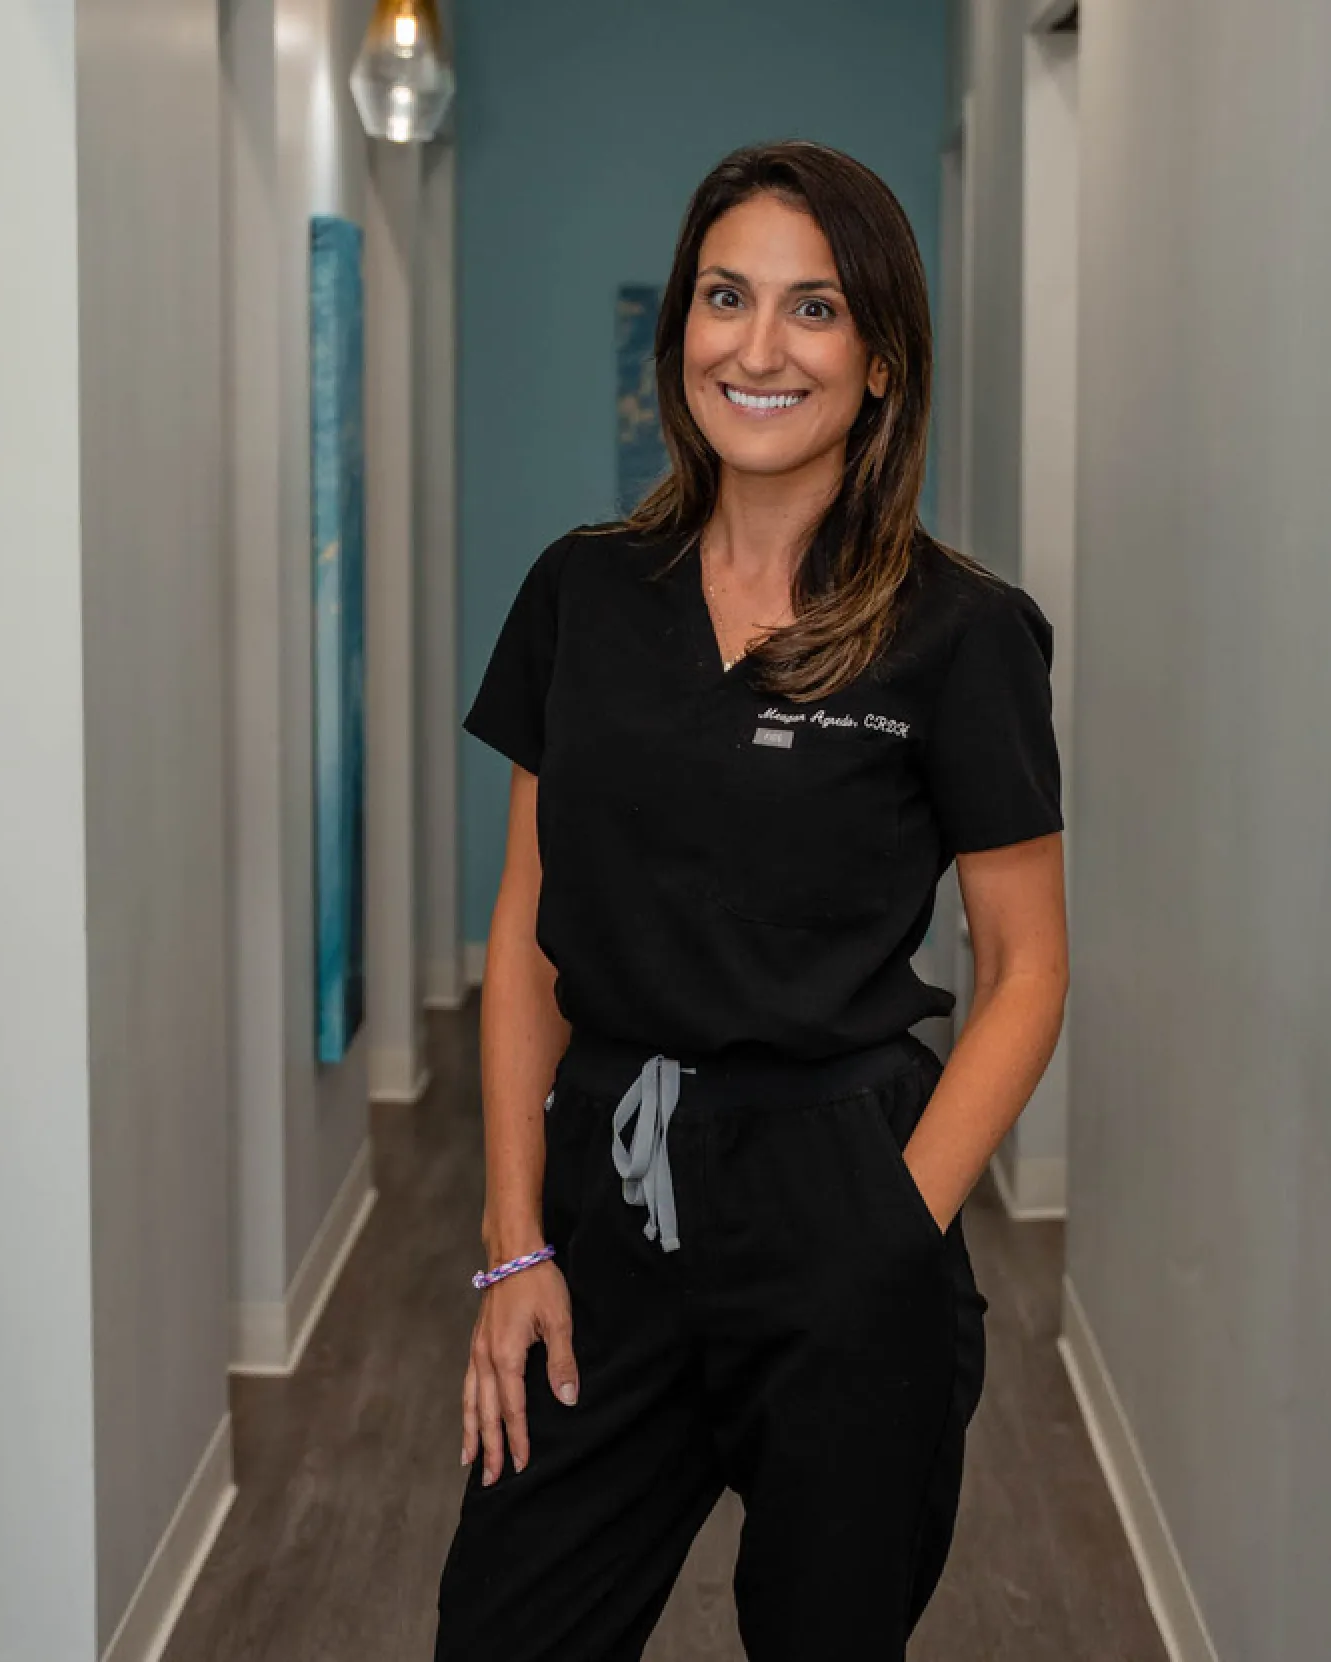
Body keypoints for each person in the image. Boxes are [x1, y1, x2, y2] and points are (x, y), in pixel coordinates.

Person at [433, 139, 1068, 1662]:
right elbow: (525, 929)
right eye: (727, 298)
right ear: (683, 336)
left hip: (841, 1190)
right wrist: (516, 1243)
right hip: (608, 1192)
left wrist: (888, 1236)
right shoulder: (582, 594)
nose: (760, 347)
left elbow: (1025, 967)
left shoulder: (959, 634)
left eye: (815, 308)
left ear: (883, 365)